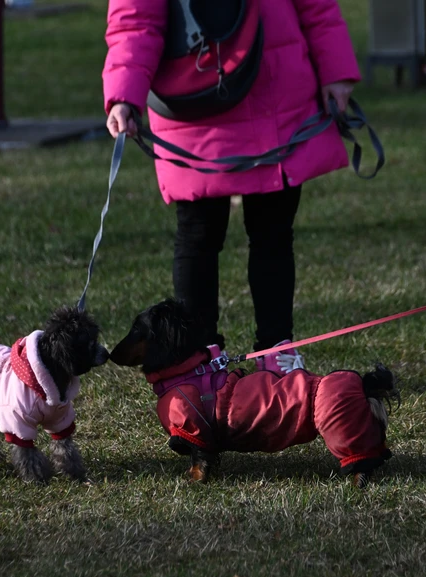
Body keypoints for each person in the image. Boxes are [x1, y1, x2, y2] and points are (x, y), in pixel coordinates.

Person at [102, 0, 361, 374]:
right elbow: (135, 19)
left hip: (275, 92)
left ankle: (275, 350)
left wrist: (336, 70)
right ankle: (200, 356)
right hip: (197, 98)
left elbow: (316, 5)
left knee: (269, 232)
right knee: (200, 236)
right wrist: (124, 94)